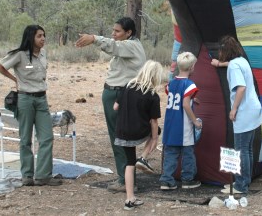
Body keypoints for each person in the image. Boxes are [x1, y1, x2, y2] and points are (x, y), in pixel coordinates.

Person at [75, 17, 146, 193]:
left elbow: (113, 46)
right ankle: (126, 177)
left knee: (120, 137)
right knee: (120, 136)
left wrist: (94, 38)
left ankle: (125, 180)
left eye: (117, 31)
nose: (113, 34)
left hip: (120, 94)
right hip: (116, 92)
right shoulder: (128, 46)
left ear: (128, 33)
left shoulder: (130, 46)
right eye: (113, 30)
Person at [0, 25, 62, 186]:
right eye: (39, 36)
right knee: (25, 138)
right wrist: (15, 80)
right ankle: (27, 175)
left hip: (41, 99)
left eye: (44, 35)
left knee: (46, 137)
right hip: (25, 99)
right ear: (30, 37)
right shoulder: (20, 54)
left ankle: (43, 176)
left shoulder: (43, 54)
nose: (43, 39)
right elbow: (0, 66)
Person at [211, 35, 262, 194]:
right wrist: (220, 64)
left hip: (244, 112)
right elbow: (233, 65)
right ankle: (245, 182)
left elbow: (240, 88)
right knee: (247, 150)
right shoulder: (241, 61)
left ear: (224, 51)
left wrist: (233, 110)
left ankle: (240, 186)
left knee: (241, 150)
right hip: (254, 110)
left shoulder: (234, 66)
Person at [113, 60, 163, 211]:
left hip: (122, 131)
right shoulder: (153, 95)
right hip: (138, 131)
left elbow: (115, 107)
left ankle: (130, 199)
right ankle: (143, 158)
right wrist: (154, 138)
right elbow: (153, 121)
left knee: (129, 163)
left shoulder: (128, 86)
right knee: (157, 131)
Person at [159, 52, 203, 190]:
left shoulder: (171, 83)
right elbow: (184, 104)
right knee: (188, 153)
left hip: (170, 124)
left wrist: (191, 99)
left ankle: (166, 180)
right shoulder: (189, 84)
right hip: (183, 125)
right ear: (192, 68)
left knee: (170, 153)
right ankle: (188, 180)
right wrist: (195, 121)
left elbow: (176, 97)